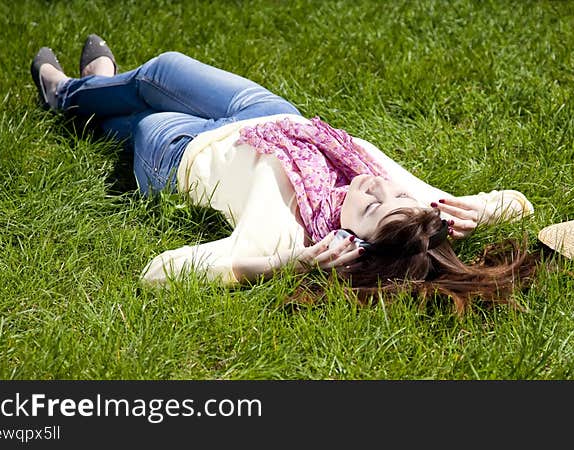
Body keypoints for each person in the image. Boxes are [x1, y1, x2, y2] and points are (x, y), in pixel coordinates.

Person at [30, 35, 538, 313]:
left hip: (179, 151)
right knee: (162, 70)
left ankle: (78, 92)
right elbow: (520, 203)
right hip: (266, 112)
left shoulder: (287, 234)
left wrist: (284, 263)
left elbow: (158, 273)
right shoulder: (414, 214)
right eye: (394, 194)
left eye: (373, 206)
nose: (378, 185)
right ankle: (86, 89)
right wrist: (481, 209)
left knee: (140, 117)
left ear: (351, 244)